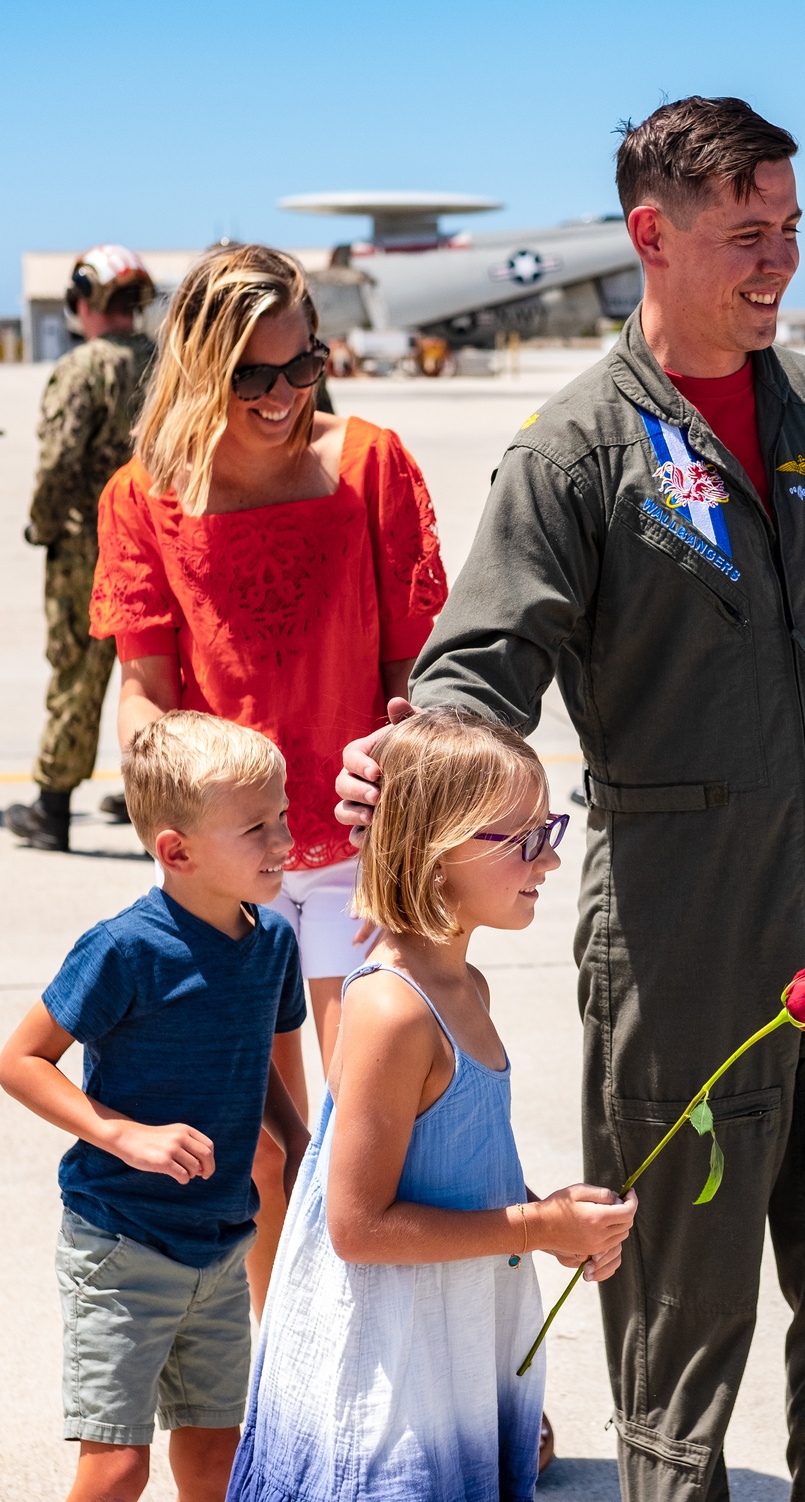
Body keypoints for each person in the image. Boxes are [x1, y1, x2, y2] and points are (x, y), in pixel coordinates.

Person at [336, 97, 805, 1501]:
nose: (782, 260)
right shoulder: (577, 453)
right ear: (655, 232)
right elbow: (479, 663)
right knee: (680, 1329)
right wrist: (416, 756)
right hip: (683, 939)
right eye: (748, 230)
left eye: (793, 228)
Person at [87, 243, 447, 1312]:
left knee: (385, 1134)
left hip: (354, 853)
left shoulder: (373, 463)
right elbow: (143, 693)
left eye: (305, 366)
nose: (285, 395)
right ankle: (289, 1378)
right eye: (253, 375)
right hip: (225, 869)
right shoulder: (142, 494)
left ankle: (444, 1383)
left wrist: (410, 740)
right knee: (260, 1152)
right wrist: (177, 792)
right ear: (201, 368)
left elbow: (411, 672)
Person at [227, 709, 636, 1502]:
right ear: (432, 853)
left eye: (547, 827)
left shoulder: (465, 987)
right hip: (386, 1387)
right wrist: (536, 1227)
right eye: (522, 838)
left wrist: (552, 1219)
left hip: (449, 1350)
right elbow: (358, 1227)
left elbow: (454, 1172)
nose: (549, 857)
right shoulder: (393, 1010)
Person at [0, 711, 310, 1502]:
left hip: (220, 1246)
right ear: (176, 851)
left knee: (215, 1458)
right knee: (117, 1469)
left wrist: (298, 1137)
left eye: (282, 816)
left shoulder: (273, 942)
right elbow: (20, 1060)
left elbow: (255, 1064)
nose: (283, 842)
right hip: (122, 1245)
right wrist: (121, 1135)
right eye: (257, 828)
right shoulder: (125, 949)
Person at [4, 245, 156, 851]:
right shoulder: (162, 362)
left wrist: (42, 526)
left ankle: (52, 808)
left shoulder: (82, 368)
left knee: (77, 674)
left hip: (87, 549)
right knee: (158, 677)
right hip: (157, 539)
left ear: (84, 302)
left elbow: (58, 466)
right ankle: (163, 797)